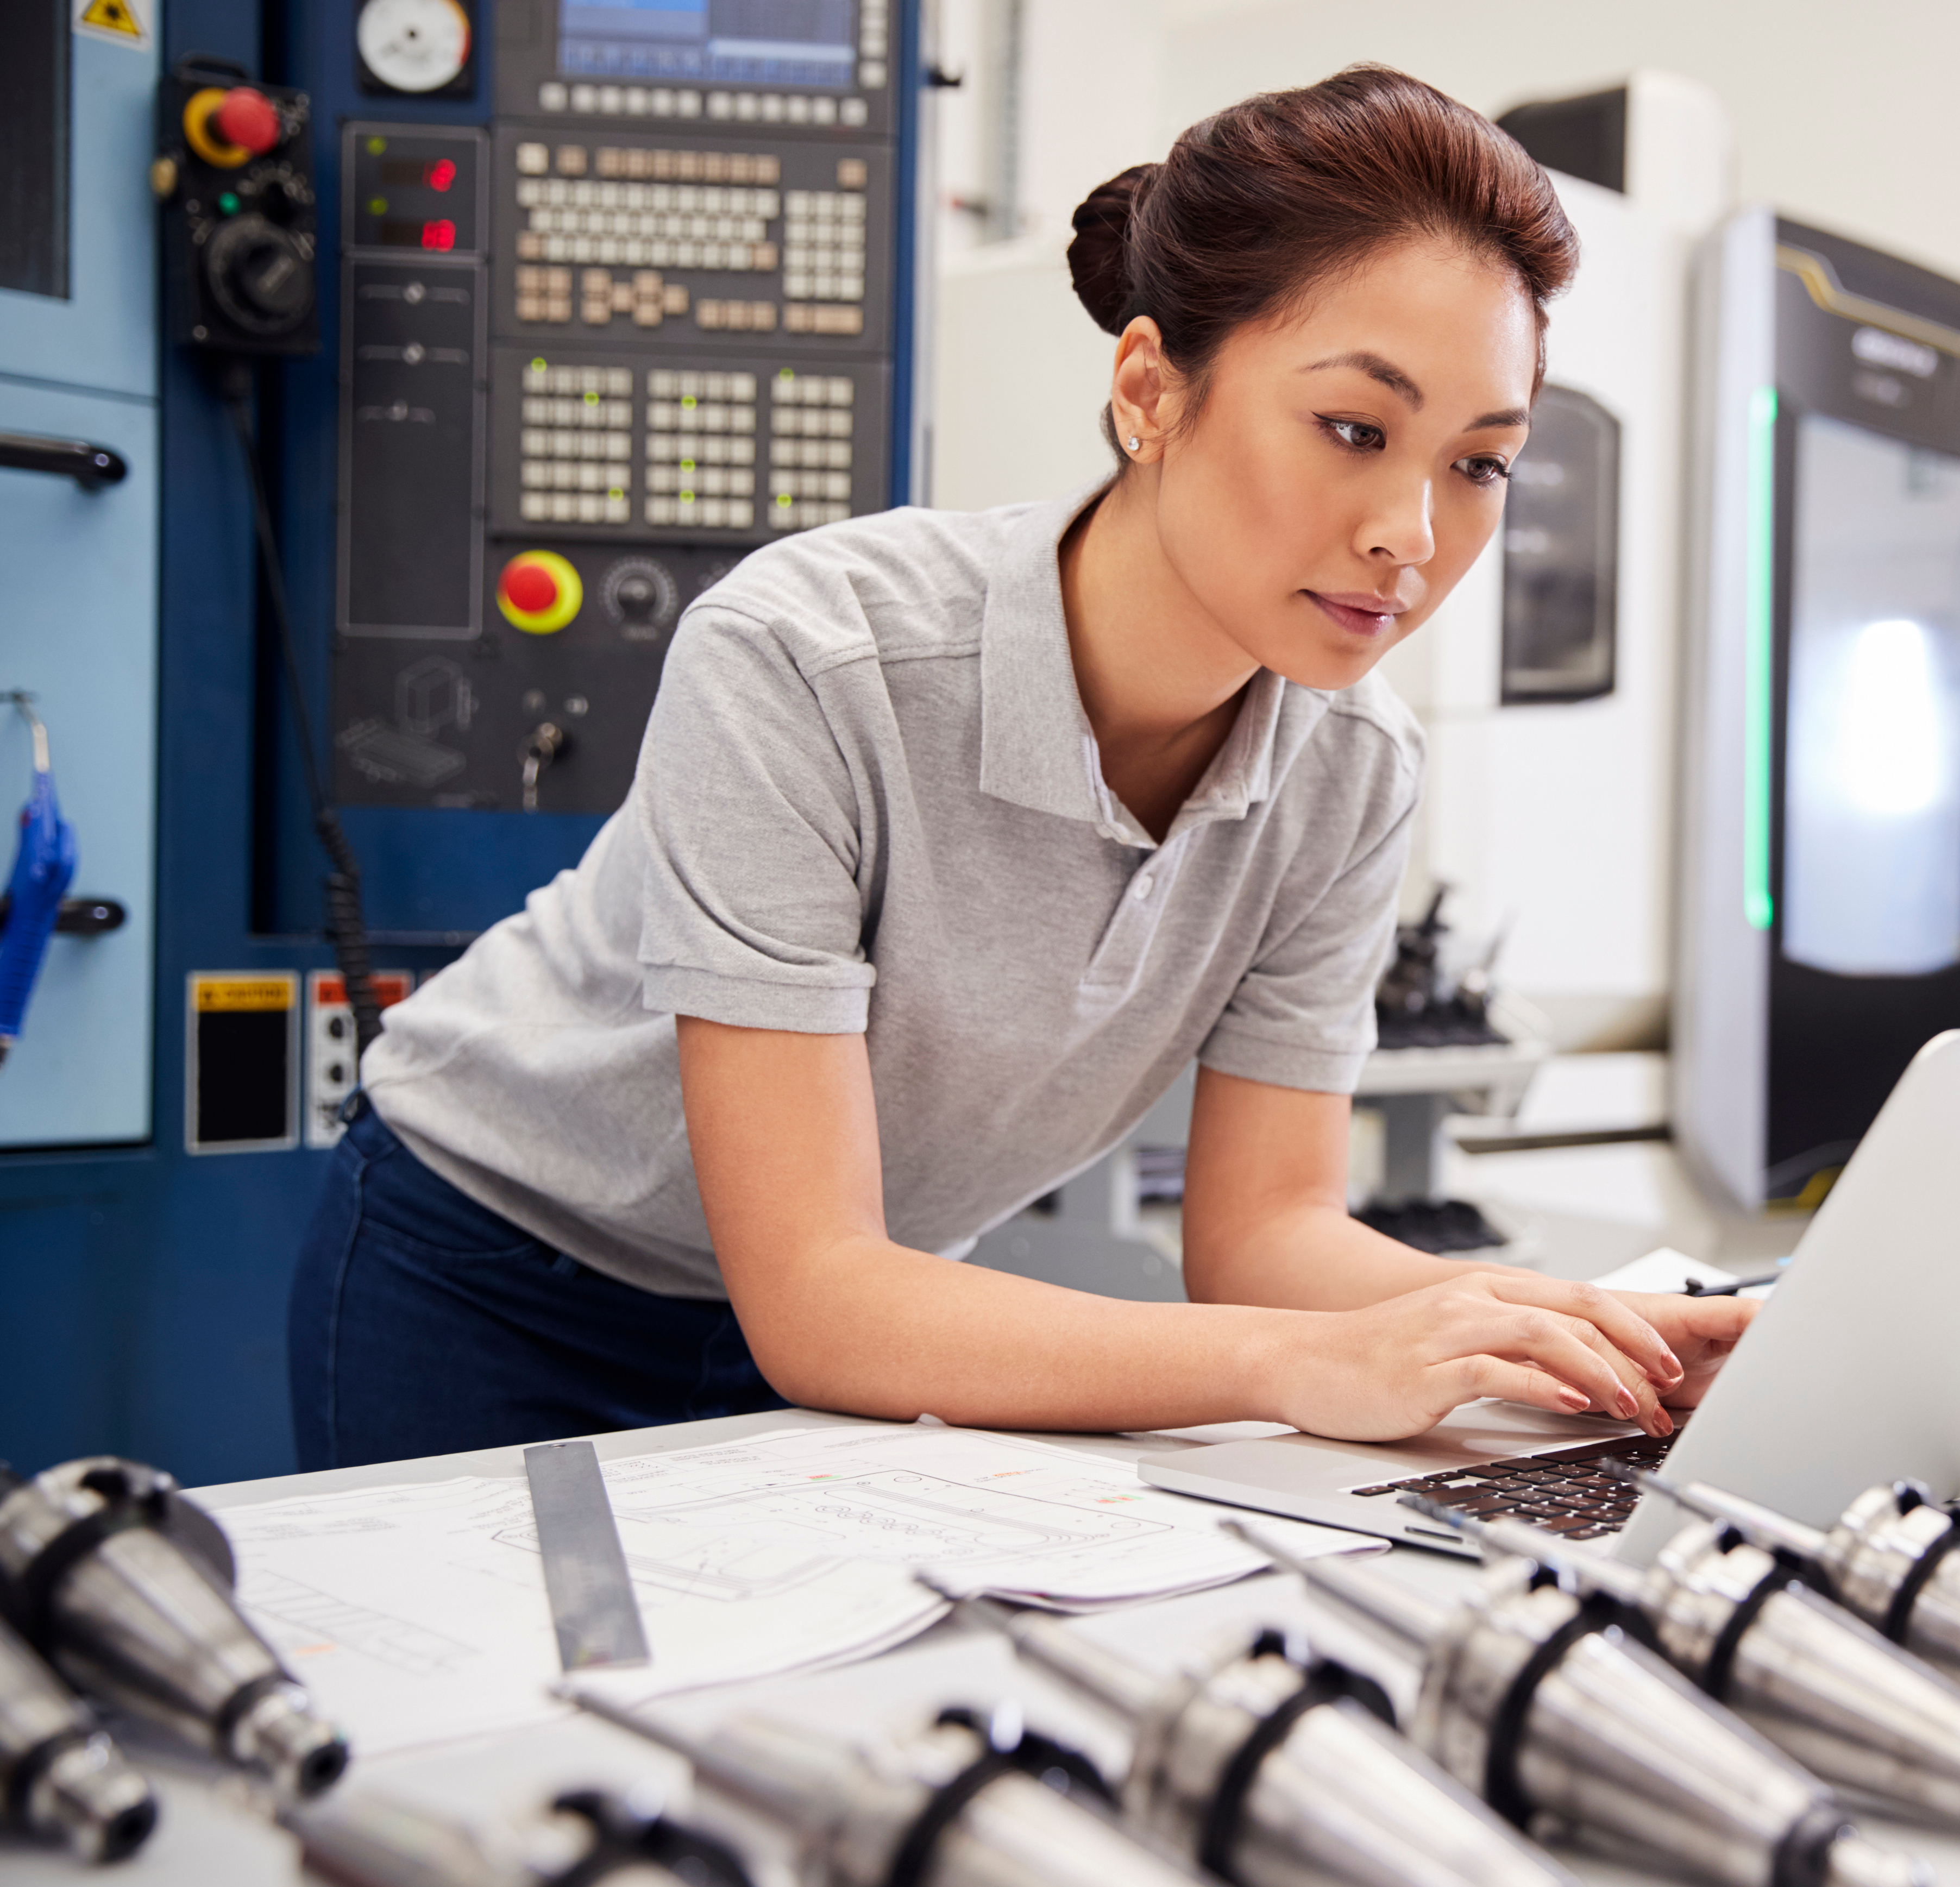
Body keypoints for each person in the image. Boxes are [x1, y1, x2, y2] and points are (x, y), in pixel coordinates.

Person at [286, 66, 1755, 1470]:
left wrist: (1577, 1338)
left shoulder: (1352, 769)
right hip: (500, 1267)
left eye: (1479, 462)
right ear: (1151, 388)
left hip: (898, 1322)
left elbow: (1262, 1235)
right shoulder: (811, 657)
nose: (1413, 535)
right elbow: (818, 1297)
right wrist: (1285, 1364)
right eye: (1354, 429)